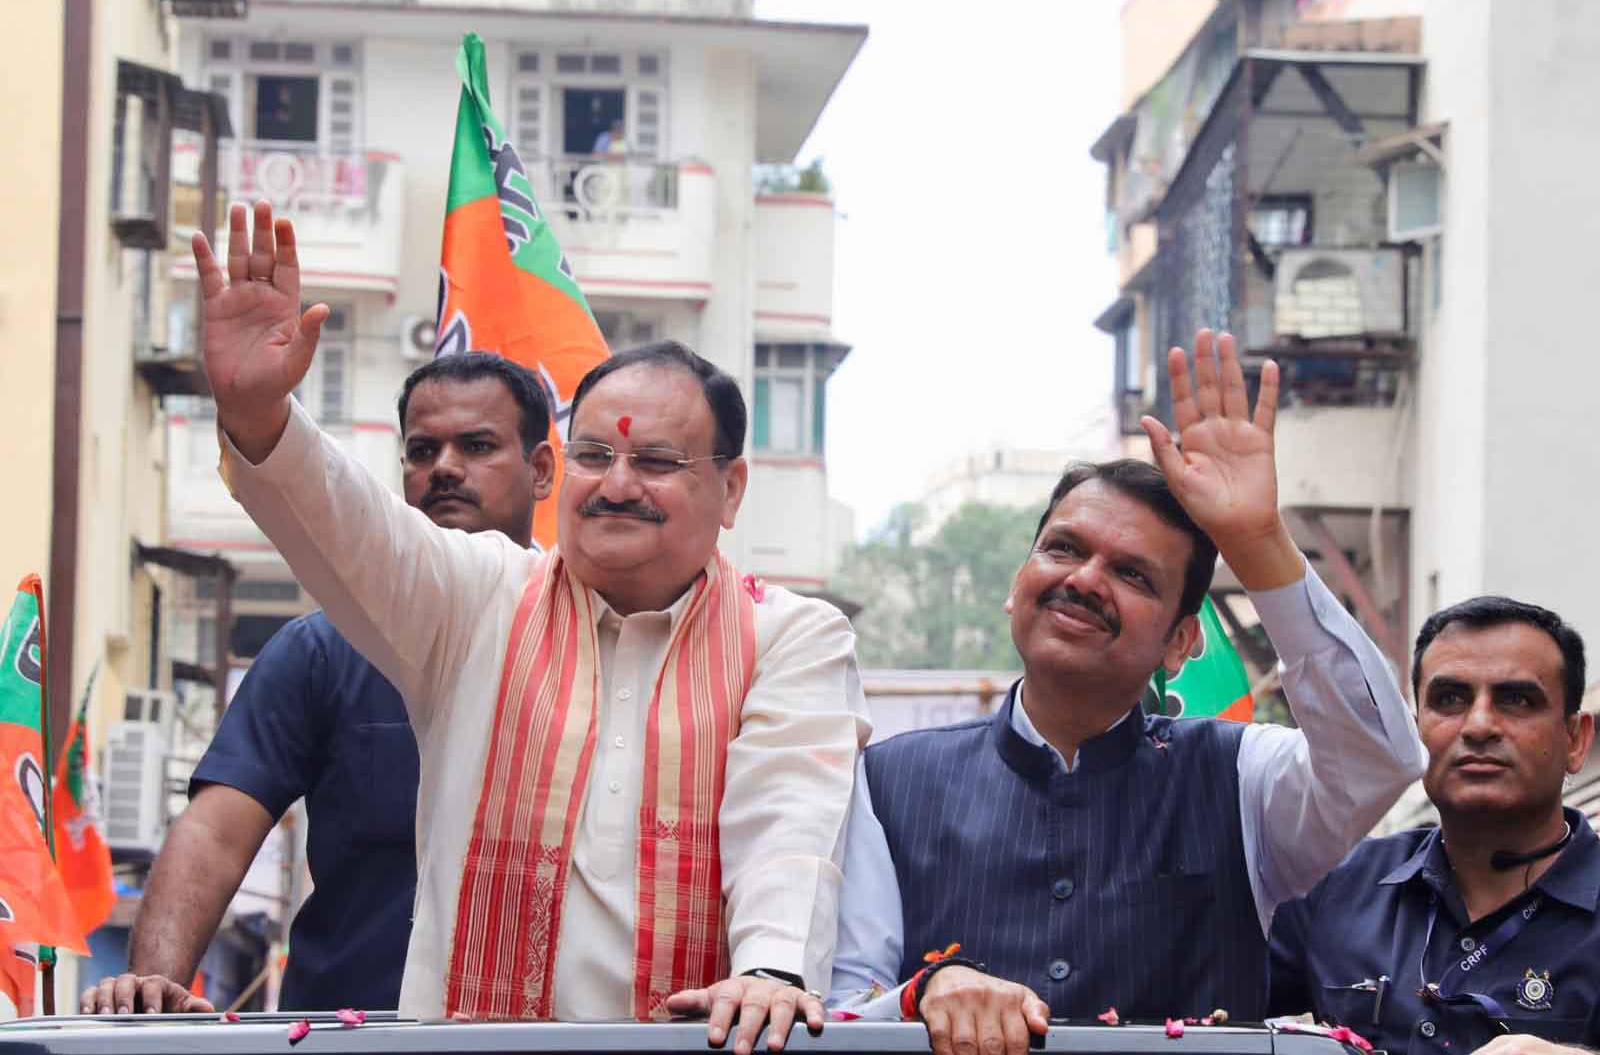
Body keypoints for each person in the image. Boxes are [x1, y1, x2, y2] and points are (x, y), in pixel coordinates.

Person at [189, 202, 867, 1053]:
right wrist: (262, 415)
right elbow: (352, 527)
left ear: (731, 491)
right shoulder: (478, 597)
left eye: (656, 461)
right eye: (592, 456)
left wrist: (771, 968)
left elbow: (790, 815)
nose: (617, 485)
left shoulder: (793, 636)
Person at [829, 330, 1426, 1054]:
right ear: (1015, 588)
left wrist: (1261, 540)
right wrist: (926, 994)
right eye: (1064, 549)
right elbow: (842, 1006)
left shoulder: (1241, 778)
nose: (1084, 580)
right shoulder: (889, 781)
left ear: (1181, 641)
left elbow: (1378, 758)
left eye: (1133, 575)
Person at [79, 350, 556, 1015]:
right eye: (422, 450)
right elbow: (215, 833)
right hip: (344, 1036)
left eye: (477, 446)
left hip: (537, 1037)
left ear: (541, 471)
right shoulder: (319, 652)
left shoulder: (595, 643)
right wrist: (154, 985)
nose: (444, 468)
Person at [1269, 597, 1598, 1055]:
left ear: (1576, 740)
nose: (1480, 725)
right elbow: (1195, 1010)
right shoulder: (1333, 884)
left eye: (1517, 699)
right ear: (1415, 729)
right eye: (1450, 699)